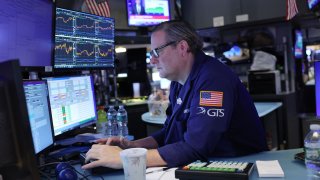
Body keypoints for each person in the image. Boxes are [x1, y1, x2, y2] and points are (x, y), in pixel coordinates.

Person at [82, 20, 268, 170]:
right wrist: (131, 147)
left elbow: (195, 147)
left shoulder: (213, 80)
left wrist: (125, 159)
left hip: (241, 165)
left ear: (182, 47)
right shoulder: (179, 82)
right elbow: (169, 133)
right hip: (209, 162)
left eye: (156, 52)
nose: (152, 60)